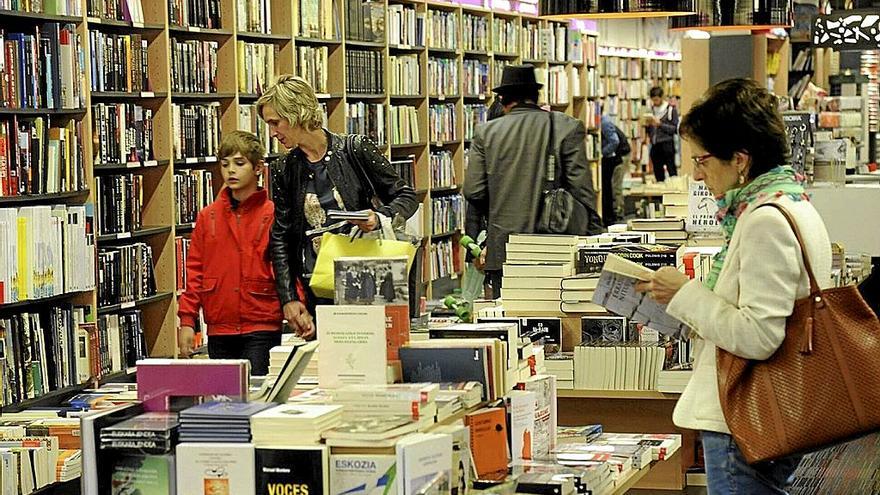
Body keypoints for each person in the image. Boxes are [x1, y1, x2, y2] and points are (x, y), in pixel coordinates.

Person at [635, 78, 832, 494]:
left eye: (703, 160)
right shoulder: (788, 201)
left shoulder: (764, 221)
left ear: (740, 159)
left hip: (745, 419)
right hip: (766, 414)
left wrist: (684, 295)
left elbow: (759, 335)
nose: (697, 174)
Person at [257, 75, 418, 338]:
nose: (273, 133)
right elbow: (281, 237)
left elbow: (406, 196)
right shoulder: (284, 168)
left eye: (276, 122)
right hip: (317, 286)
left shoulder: (354, 149)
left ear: (296, 113)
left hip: (368, 281)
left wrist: (379, 217)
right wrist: (288, 297)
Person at [464, 65, 602, 298]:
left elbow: (474, 191)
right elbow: (583, 190)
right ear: (536, 96)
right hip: (557, 245)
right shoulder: (566, 126)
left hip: (505, 250)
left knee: (510, 319)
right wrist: (594, 238)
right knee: (556, 318)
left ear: (503, 99)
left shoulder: (485, 133)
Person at [177, 131, 283, 375]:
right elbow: (194, 271)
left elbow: (284, 265)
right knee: (223, 399)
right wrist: (187, 320)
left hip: (261, 320)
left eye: (239, 163)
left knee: (257, 394)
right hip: (219, 325)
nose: (230, 171)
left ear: (258, 168)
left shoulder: (272, 213)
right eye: (224, 164)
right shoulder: (208, 216)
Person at [600, 114, 629, 226]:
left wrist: (601, 153)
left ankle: (618, 214)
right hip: (617, 156)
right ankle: (615, 214)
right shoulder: (605, 121)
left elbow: (615, 141)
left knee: (615, 186)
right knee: (612, 186)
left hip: (620, 155)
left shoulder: (604, 123)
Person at [646, 86, 679, 182]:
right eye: (653, 100)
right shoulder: (651, 110)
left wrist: (660, 124)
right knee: (657, 170)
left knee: (671, 169)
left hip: (667, 143)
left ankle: (674, 191)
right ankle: (659, 195)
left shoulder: (670, 110)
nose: (655, 102)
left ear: (661, 97)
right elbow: (649, 130)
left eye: (656, 99)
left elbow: (674, 129)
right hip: (655, 144)